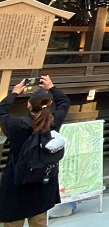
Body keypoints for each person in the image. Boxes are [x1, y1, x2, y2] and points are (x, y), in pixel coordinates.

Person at [0, 75, 71, 227]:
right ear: (49, 104)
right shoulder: (52, 122)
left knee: (13, 221)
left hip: (17, 180)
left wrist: (14, 92)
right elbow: (64, 102)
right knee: (39, 221)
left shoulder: (16, 125)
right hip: (43, 180)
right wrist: (51, 87)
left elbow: (1, 111)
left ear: (28, 105)